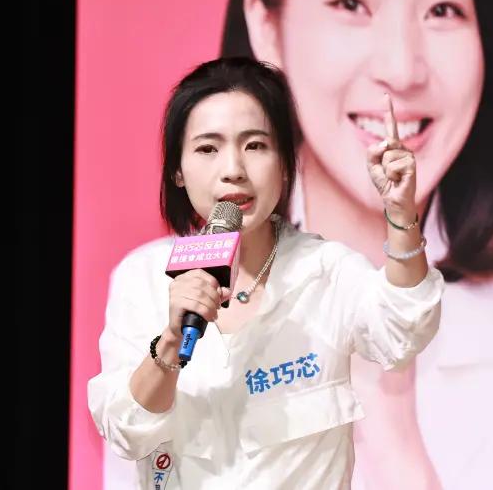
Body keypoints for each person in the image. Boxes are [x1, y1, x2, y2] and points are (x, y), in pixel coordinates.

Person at [218, 0, 493, 488]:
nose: (403, 70)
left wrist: (391, 427)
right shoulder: (162, 301)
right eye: (351, 3)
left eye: (443, 9)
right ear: (267, 27)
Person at [88, 57, 444, 489]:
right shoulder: (142, 277)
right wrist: (170, 342)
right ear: (178, 170)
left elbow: (405, 328)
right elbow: (125, 429)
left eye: (255, 146)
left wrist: (401, 214)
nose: (233, 169)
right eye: (208, 149)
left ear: (286, 163)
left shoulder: (326, 272)